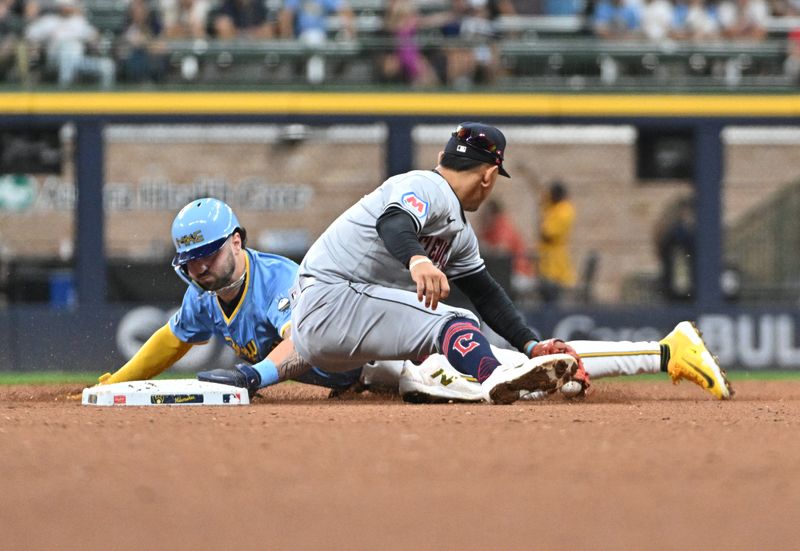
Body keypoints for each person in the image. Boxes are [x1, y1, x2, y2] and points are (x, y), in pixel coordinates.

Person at [289, 122, 733, 405]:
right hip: (332, 302)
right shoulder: (426, 187)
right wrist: (419, 259)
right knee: (456, 324)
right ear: (487, 176)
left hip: (340, 330)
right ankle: (499, 379)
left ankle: (661, 353)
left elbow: (487, 291)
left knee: (471, 358)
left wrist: (529, 344)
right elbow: (395, 223)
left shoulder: (457, 231)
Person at [96, 197, 365, 395]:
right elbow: (171, 340)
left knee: (402, 379)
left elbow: (303, 344)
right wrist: (116, 382)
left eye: (210, 254)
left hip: (373, 355)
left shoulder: (278, 279)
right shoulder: (204, 292)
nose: (200, 267)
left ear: (236, 242)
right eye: (191, 259)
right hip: (345, 379)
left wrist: (250, 376)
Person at [24, 0, 115, 89]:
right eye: (65, 5)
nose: (67, 8)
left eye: (69, 5)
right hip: (55, 61)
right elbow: (30, 35)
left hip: (79, 61)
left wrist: (96, 42)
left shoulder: (78, 21)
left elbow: (94, 37)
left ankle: (105, 97)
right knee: (67, 53)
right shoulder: (49, 21)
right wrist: (37, 48)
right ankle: (64, 93)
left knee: (107, 66)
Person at [536, 180, 575, 304]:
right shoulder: (554, 208)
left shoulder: (564, 210)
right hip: (545, 260)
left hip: (555, 262)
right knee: (545, 296)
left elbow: (547, 233)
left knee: (553, 296)